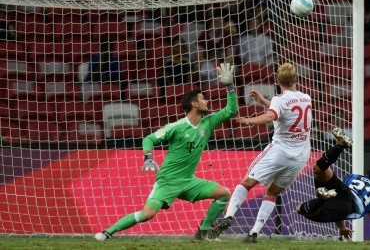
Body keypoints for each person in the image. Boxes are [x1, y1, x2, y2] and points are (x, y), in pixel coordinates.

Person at [94, 63, 238, 241]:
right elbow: (149, 139)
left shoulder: (207, 122)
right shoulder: (176, 127)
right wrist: (148, 157)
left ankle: (203, 230)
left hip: (188, 181)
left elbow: (232, 110)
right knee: (147, 214)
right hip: (167, 181)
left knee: (224, 193)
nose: (207, 101)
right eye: (203, 99)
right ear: (194, 104)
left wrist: (230, 87)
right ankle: (107, 232)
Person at [209, 63, 313, 243]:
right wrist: (265, 101)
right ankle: (254, 233)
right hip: (300, 157)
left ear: (278, 80)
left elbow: (272, 116)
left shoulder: (280, 100)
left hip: (279, 151)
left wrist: (249, 120)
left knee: (247, 182)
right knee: (272, 193)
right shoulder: (306, 98)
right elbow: (286, 111)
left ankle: (229, 216)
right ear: (296, 79)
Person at [296, 127, 370, 245]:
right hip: (348, 206)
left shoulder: (355, 177)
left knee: (319, 169)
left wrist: (341, 227)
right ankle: (323, 198)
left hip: (344, 191)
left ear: (367, 174)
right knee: (301, 209)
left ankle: (339, 146)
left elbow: (341, 198)